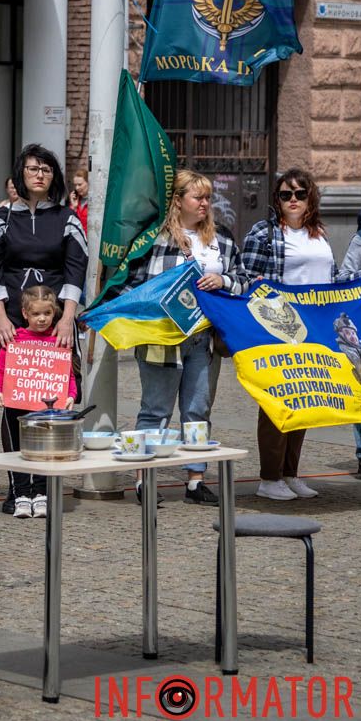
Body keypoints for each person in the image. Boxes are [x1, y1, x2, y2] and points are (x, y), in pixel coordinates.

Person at [241, 170, 361, 492]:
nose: (293, 200)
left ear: (310, 197)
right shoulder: (264, 233)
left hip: (314, 329)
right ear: (277, 199)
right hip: (279, 327)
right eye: (286, 195)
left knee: (303, 399)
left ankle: (290, 474)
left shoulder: (319, 234)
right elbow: (244, 277)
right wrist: (257, 287)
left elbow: (330, 281)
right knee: (277, 400)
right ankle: (268, 478)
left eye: (300, 194)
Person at [127, 169, 247, 506]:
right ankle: (143, 478)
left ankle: (195, 479)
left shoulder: (221, 239)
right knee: (154, 409)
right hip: (161, 337)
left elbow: (244, 281)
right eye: (198, 197)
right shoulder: (154, 239)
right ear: (178, 202)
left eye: (208, 197)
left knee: (197, 410)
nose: (206, 203)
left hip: (203, 339)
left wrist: (223, 282)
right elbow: (131, 284)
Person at [0, 144, 88, 514]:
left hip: (56, 326)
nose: (39, 174)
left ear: (53, 175)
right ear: (19, 175)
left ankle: (43, 487)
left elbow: (76, 267)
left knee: (51, 408)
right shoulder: (2, 218)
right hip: (11, 326)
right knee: (13, 406)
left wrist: (68, 317)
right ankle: (18, 486)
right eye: (31, 169)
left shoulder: (67, 218)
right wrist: (0, 316)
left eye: (45, 169)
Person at [0, 285, 77, 519]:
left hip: (46, 409)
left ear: (54, 313)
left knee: (45, 450)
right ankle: (20, 494)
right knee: (17, 449)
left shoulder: (59, 339)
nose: (41, 319)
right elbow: (1, 370)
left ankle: (40, 493)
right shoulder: (15, 338)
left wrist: (70, 394)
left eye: (47, 314)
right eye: (36, 314)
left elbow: (67, 373)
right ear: (25, 313)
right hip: (17, 405)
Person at [70, 167, 89, 232]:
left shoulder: (95, 202)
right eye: (75, 185)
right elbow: (69, 222)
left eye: (80, 184)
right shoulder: (75, 201)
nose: (77, 188)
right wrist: (73, 207)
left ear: (88, 183)